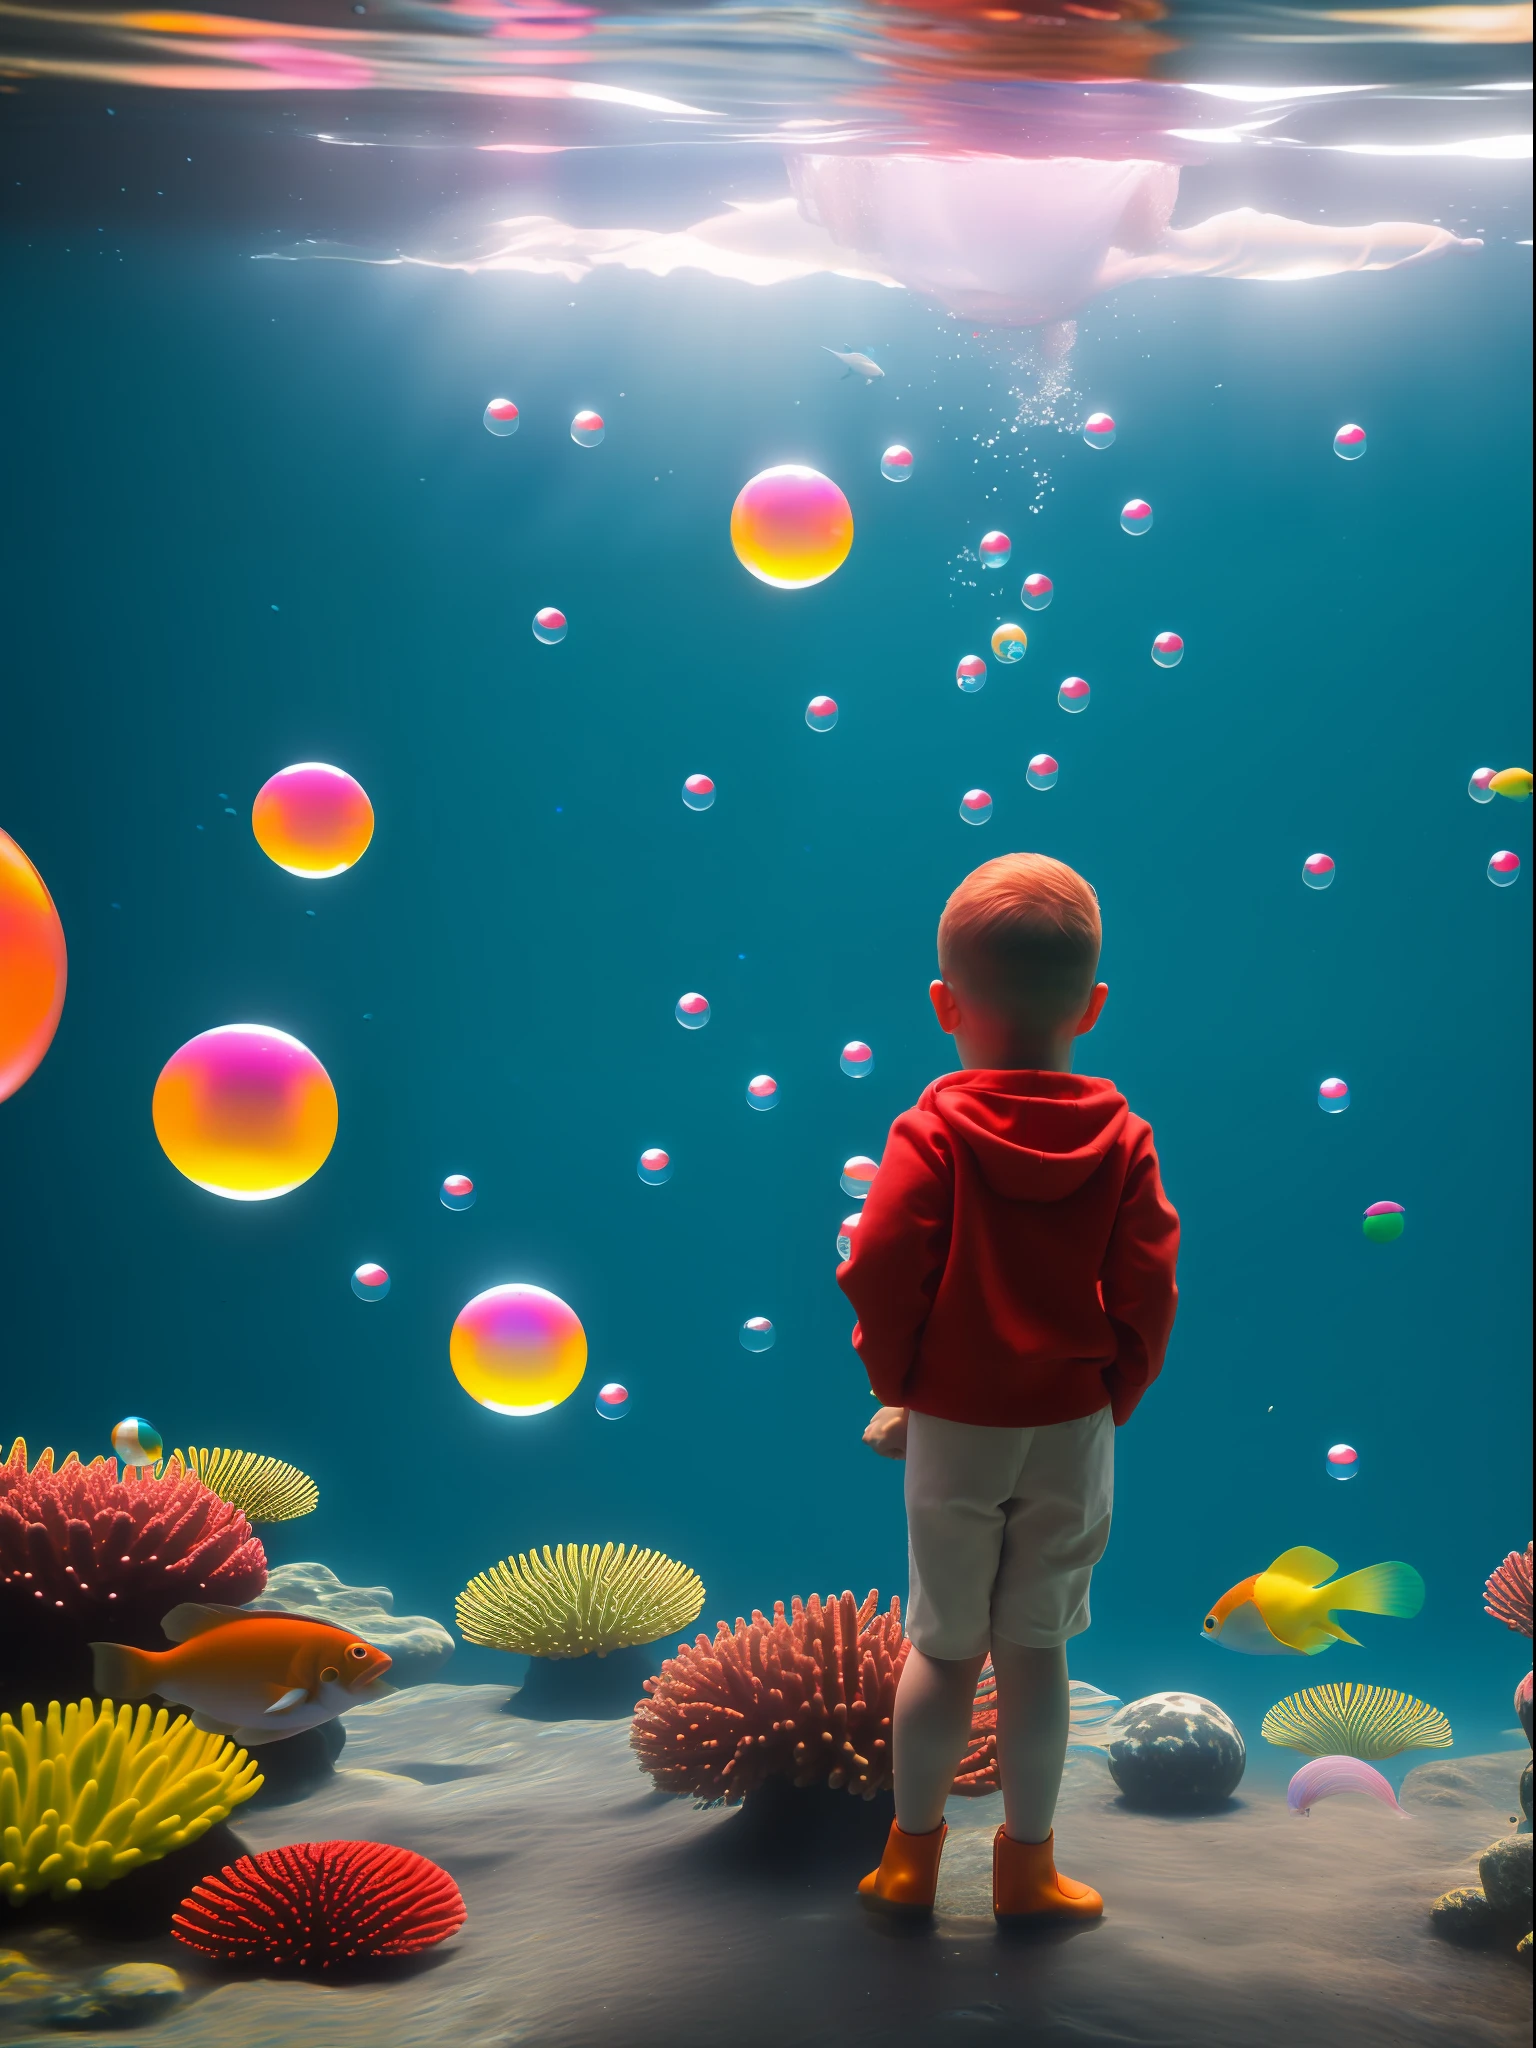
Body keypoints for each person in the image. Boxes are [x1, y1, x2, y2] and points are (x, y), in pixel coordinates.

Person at [837, 852, 1179, 1923]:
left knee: (942, 1645)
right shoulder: (1123, 1137)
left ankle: (910, 1861)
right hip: (1072, 1419)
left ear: (945, 1005)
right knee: (1039, 1647)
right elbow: (1151, 1282)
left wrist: (904, 1383)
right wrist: (1113, 1388)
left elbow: (881, 1261)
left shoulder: (931, 1129)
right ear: (1094, 1004)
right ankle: (1027, 1869)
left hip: (955, 1418)